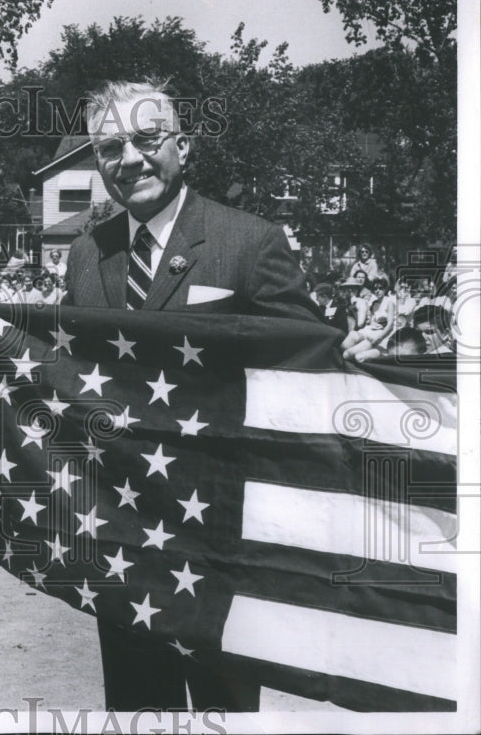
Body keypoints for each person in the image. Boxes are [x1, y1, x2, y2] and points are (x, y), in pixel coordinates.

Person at [64, 79, 321, 713]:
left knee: (223, 710)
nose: (129, 159)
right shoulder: (84, 255)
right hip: (122, 531)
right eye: (109, 147)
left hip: (220, 536)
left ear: (184, 144)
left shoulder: (248, 242)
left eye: (147, 139)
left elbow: (310, 360)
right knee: (137, 707)